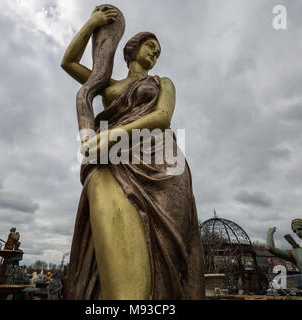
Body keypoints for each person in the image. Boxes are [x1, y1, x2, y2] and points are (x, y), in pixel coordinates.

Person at [61, 5, 204, 299]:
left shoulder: (162, 82)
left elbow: (162, 116)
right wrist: (93, 23)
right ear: (133, 48)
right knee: (104, 198)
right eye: (151, 47)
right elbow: (68, 62)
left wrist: (112, 134)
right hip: (116, 158)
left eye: (158, 53)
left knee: (167, 240)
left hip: (160, 159)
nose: (154, 54)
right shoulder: (108, 86)